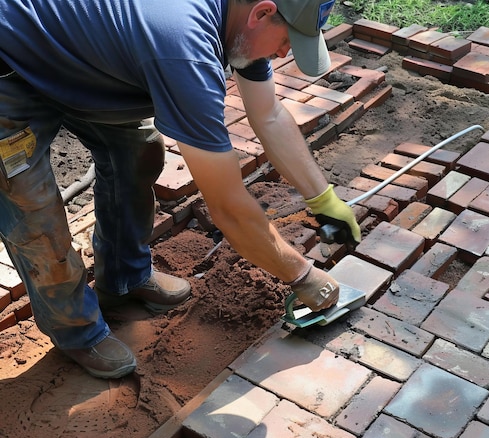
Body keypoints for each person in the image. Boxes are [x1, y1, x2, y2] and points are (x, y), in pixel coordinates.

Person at [0, 0, 361, 379]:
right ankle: (76, 331)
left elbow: (268, 114)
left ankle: (125, 278)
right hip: (11, 68)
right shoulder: (185, 51)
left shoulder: (242, 23)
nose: (285, 53)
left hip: (79, 58)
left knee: (139, 153)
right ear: (262, 13)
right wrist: (303, 276)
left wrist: (324, 199)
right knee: (33, 209)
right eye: (288, 39)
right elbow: (228, 209)